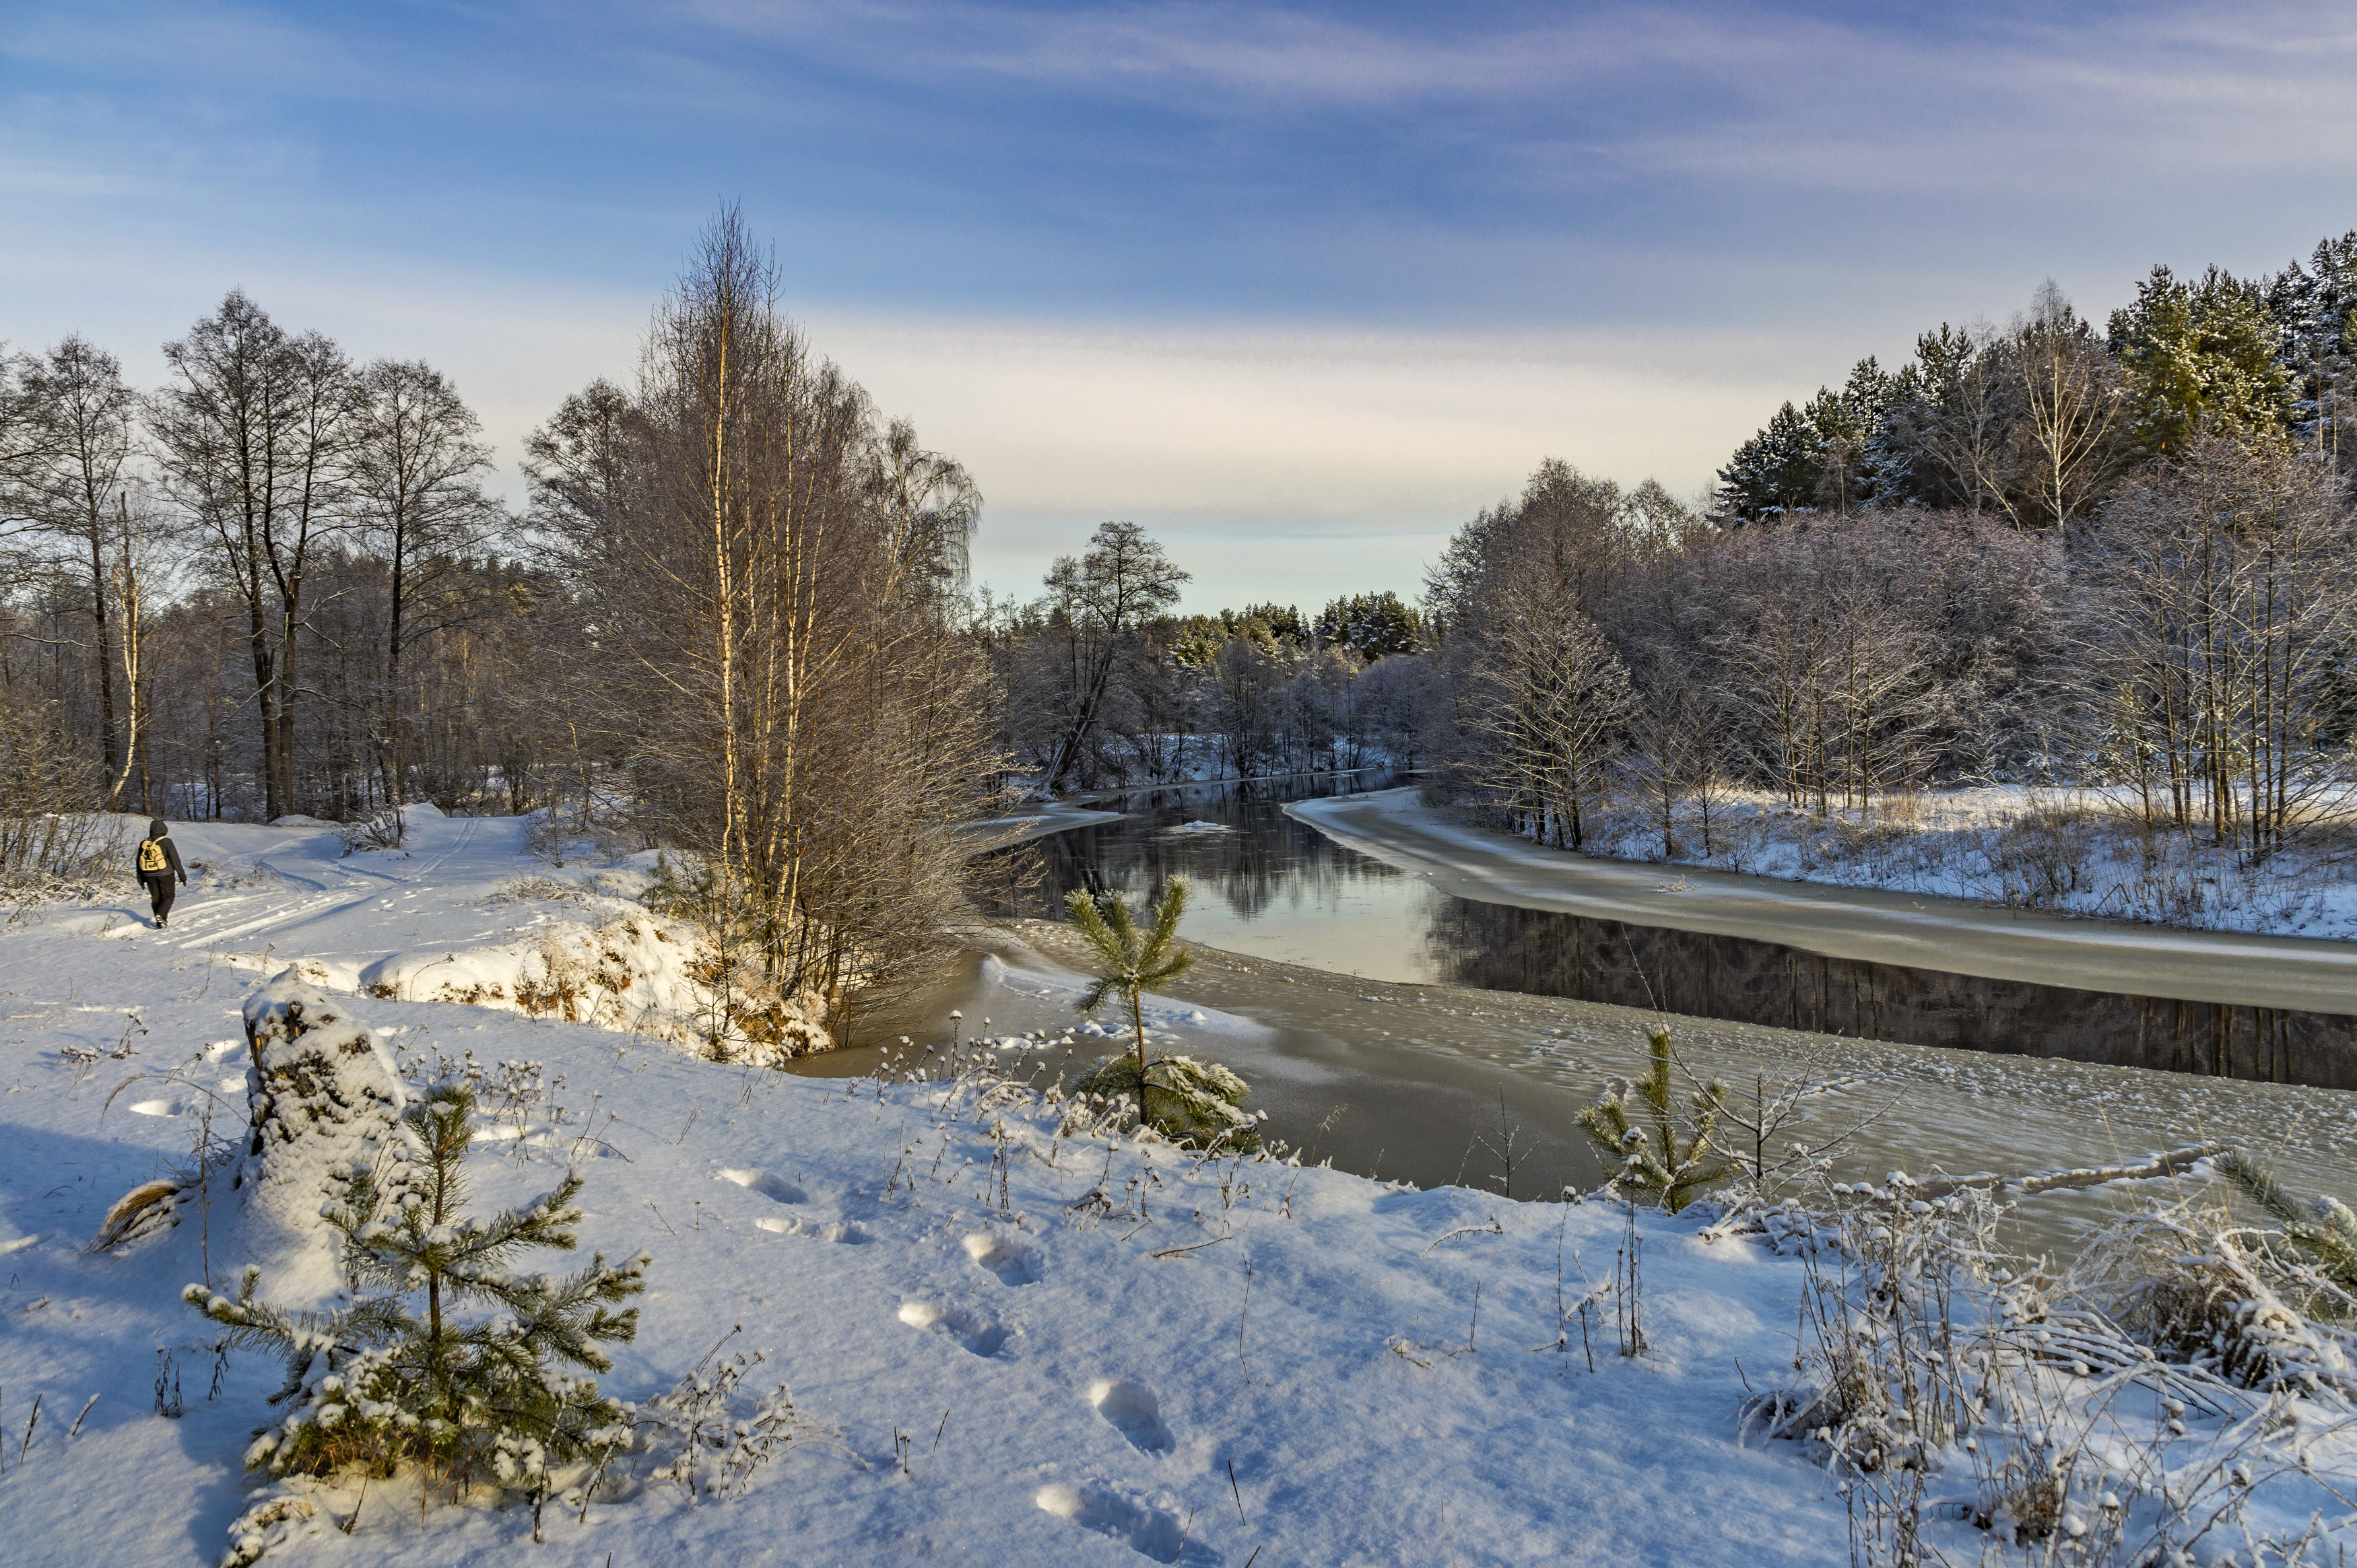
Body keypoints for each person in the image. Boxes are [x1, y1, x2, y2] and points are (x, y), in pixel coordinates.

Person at [135, 817, 187, 928]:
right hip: (166, 874)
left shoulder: (144, 843)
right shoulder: (167, 842)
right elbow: (175, 860)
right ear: (164, 830)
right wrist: (182, 876)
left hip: (148, 875)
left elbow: (138, 862)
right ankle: (161, 915)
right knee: (168, 897)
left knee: (156, 898)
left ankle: (161, 922)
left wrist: (140, 879)